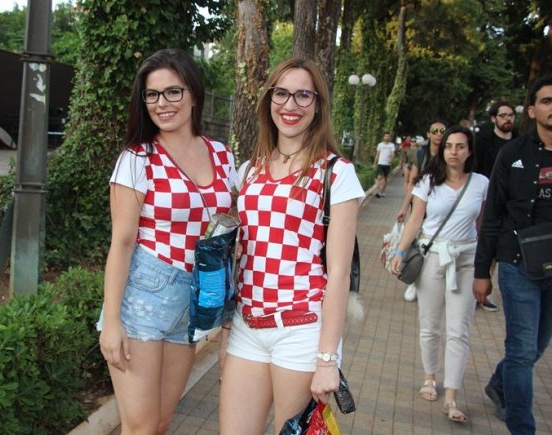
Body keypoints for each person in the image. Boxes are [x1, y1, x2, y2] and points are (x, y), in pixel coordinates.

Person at [219, 58, 365, 434]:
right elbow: (242, 258)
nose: (290, 105)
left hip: (301, 329)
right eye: (281, 93)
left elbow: (339, 273)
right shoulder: (249, 170)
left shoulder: (335, 172)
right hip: (247, 327)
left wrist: (327, 359)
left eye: (303, 95)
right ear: (269, 100)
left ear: (318, 105)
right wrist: (226, 331)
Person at [97, 48, 237, 434]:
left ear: (193, 94)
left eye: (173, 91)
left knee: (160, 423)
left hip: (192, 299)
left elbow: (233, 228)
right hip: (144, 295)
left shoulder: (222, 155)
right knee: (140, 428)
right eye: (152, 94)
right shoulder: (138, 159)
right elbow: (122, 242)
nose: (163, 103)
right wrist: (112, 323)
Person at [391, 125, 489, 423]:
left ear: (469, 151)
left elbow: (483, 225)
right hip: (432, 257)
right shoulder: (428, 182)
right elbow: (415, 218)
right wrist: (399, 252)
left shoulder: (481, 183)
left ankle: (452, 397)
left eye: (460, 146)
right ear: (442, 150)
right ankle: (430, 377)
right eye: (449, 146)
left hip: (466, 259)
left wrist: (486, 267)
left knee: (459, 329)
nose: (454, 152)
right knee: (430, 325)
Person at [473, 75, 552, 435]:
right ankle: (522, 427)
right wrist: (482, 271)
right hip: (518, 266)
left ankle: (499, 382)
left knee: (535, 348)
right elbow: (493, 215)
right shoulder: (513, 154)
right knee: (521, 350)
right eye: (546, 101)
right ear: (532, 110)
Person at [473, 101, 518, 313]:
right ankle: (475, 285)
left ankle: (485, 293)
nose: (508, 119)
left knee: (497, 248)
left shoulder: (519, 143)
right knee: (481, 243)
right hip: (484, 200)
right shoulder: (482, 141)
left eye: (511, 115)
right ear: (494, 118)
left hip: (509, 204)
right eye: (503, 115)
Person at [397, 118, 448, 302]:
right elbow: (413, 182)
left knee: (437, 241)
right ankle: (414, 279)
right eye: (435, 131)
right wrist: (404, 208)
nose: (439, 134)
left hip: (441, 207)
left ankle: (437, 281)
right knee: (419, 242)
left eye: (442, 131)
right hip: (420, 205)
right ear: (428, 134)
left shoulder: (449, 154)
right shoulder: (420, 154)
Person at [373, 132, 395, 198]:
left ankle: (382, 191)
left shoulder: (391, 145)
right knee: (379, 177)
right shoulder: (380, 145)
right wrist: (375, 163)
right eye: (386, 136)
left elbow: (393, 154)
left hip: (387, 164)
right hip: (380, 163)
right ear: (383, 137)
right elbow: (377, 154)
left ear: (390, 137)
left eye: (388, 136)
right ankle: (379, 191)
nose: (387, 137)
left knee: (385, 179)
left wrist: (391, 160)